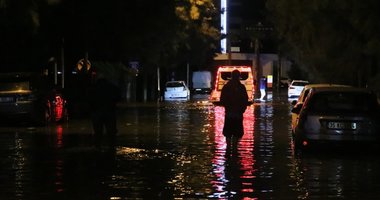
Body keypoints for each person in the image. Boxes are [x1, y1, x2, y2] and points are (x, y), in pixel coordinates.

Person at [88, 73, 120, 149]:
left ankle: (98, 147)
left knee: (98, 132)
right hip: (110, 112)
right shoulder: (112, 87)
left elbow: (89, 100)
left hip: (97, 112)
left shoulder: (93, 88)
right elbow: (118, 97)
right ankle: (111, 148)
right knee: (111, 132)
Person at [220, 69, 249, 140]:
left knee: (228, 134)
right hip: (238, 113)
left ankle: (228, 148)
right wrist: (242, 109)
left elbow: (222, 99)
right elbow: (245, 100)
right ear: (239, 77)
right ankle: (235, 149)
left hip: (229, 113)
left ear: (231, 76)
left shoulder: (226, 87)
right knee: (237, 133)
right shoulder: (241, 87)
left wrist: (227, 107)